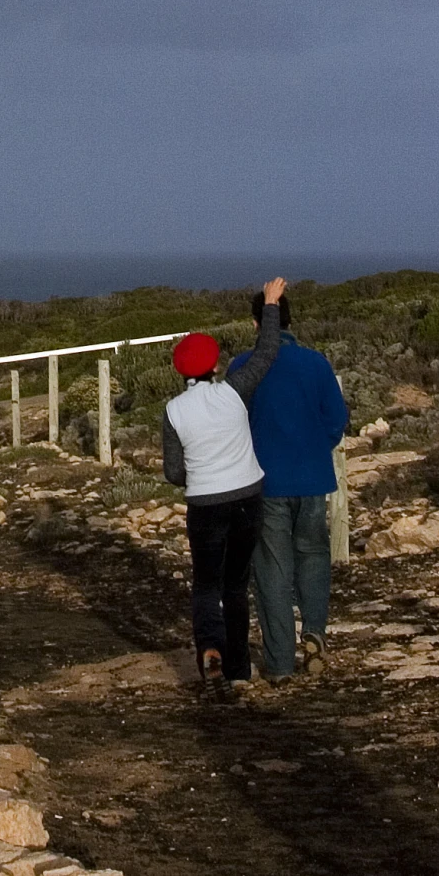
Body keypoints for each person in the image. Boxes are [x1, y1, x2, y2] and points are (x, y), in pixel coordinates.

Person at [162, 278, 286, 688]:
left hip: (205, 504)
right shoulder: (234, 391)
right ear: (216, 366)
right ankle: (239, 670)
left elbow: (173, 472)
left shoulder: (174, 411)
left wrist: (195, 474)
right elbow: (266, 353)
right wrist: (270, 305)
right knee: (236, 585)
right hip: (248, 496)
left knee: (205, 584)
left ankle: (209, 648)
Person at [228, 286, 350, 682]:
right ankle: (314, 630)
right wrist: (315, 448)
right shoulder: (316, 364)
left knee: (272, 571)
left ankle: (280, 663)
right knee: (313, 556)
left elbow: (234, 424)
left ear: (254, 324)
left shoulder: (243, 367)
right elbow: (336, 420)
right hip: (313, 478)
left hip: (263, 482)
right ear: (291, 321)